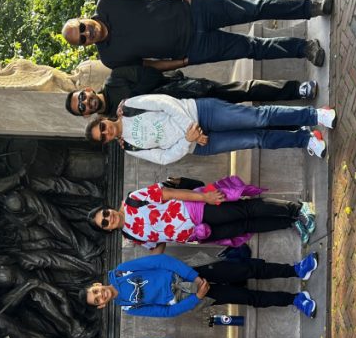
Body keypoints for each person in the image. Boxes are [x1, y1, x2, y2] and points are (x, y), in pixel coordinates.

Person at [61, 0, 332, 69]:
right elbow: (149, 64)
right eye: (82, 38)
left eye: (82, 27)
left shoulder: (108, 1)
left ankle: (311, 7)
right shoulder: (110, 58)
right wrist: (182, 62)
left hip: (196, 10)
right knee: (252, 49)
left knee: (255, 8)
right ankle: (304, 49)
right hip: (194, 48)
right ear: (84, 45)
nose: (87, 33)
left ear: (82, 18)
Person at [85, 94, 336, 162]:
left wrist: (190, 128)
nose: (107, 132)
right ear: (106, 142)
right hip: (199, 146)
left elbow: (163, 102)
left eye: (103, 127)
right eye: (103, 136)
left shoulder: (127, 107)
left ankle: (316, 115)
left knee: (258, 117)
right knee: (255, 140)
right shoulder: (128, 147)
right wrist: (189, 139)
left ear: (104, 119)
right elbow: (162, 158)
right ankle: (304, 140)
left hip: (200, 112)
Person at [88, 177, 317, 250]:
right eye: (105, 223)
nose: (109, 218)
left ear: (108, 208)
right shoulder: (130, 236)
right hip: (200, 233)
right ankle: (291, 223)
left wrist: (204, 197)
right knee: (246, 227)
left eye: (105, 213)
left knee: (244, 210)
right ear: (107, 230)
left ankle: (298, 209)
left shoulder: (133, 200)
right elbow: (157, 243)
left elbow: (169, 193)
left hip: (196, 209)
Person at [84, 252, 319, 318]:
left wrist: (195, 278)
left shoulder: (121, 271)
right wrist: (196, 298)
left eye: (96, 291)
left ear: (97, 284)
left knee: (247, 269)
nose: (100, 295)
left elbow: (160, 261)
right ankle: (296, 300)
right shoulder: (129, 308)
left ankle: (296, 270)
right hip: (192, 296)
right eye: (97, 300)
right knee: (246, 297)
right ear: (102, 305)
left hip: (192, 274)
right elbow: (166, 312)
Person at [64, 67, 318, 119]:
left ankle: (297, 89)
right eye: (82, 107)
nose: (87, 102)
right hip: (191, 118)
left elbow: (151, 74)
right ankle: (298, 121)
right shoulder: (114, 124)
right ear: (86, 115)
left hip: (188, 92)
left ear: (87, 90)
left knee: (241, 91)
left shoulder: (116, 78)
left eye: (83, 98)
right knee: (248, 117)